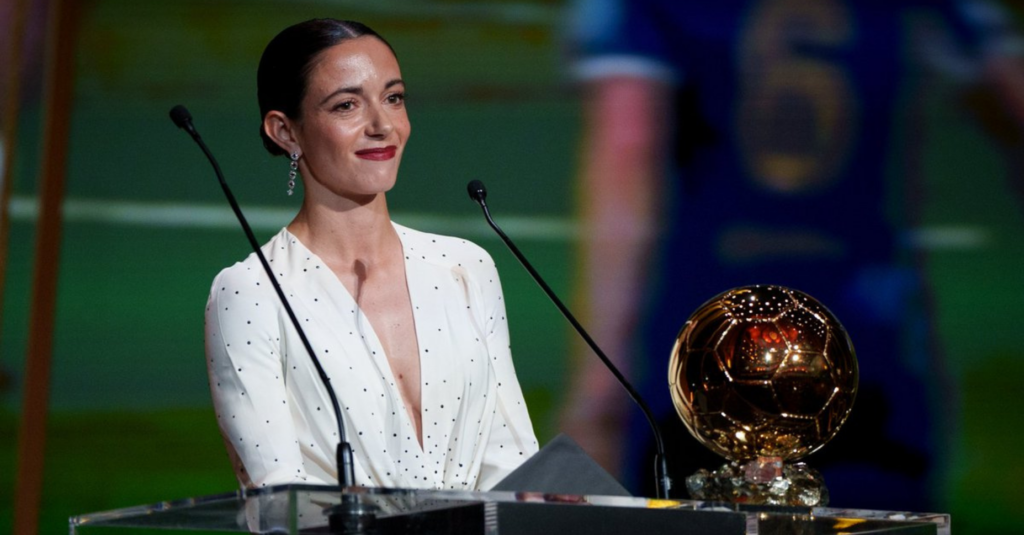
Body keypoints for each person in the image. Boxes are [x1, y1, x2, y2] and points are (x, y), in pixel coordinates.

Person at [561, 0, 1024, 509]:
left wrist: (598, 400)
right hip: (870, 339)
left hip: (705, 352)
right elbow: (1008, 91)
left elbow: (629, 141)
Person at [205, 19, 538, 491]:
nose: (382, 126)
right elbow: (277, 495)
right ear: (286, 132)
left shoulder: (465, 267)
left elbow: (514, 464)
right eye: (346, 105)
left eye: (393, 98)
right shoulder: (251, 291)